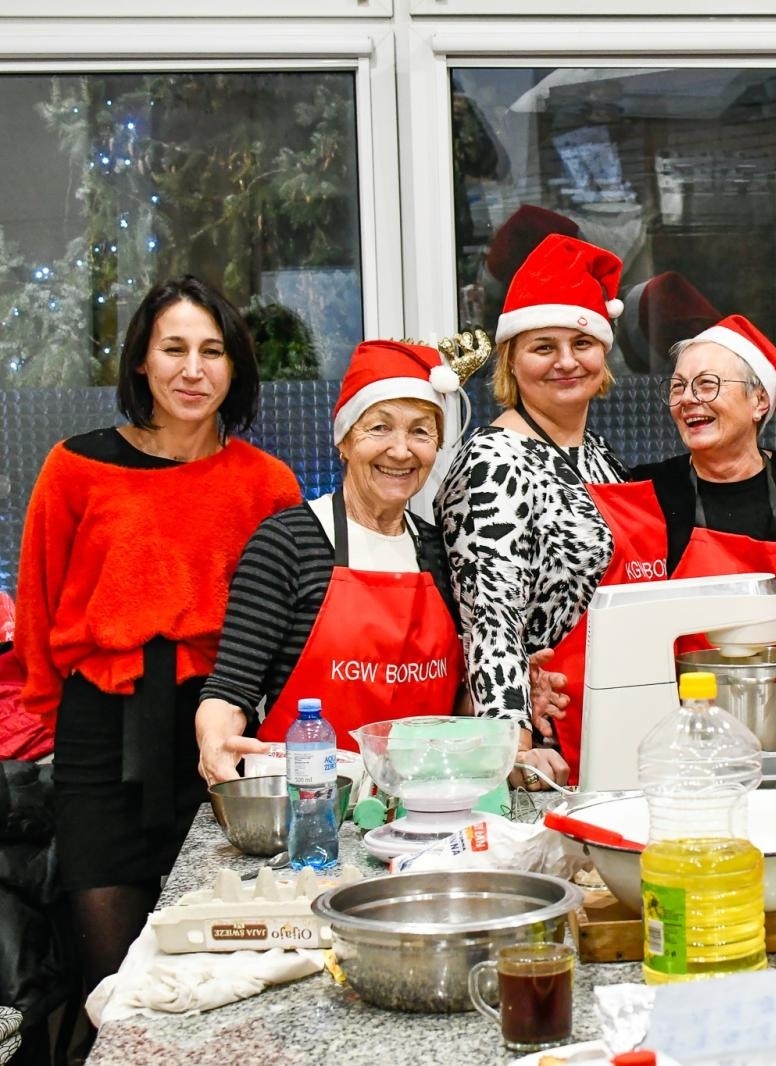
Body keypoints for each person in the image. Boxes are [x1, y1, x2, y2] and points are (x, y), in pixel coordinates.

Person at [13, 276, 301, 1005]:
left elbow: (287, 627)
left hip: (222, 733)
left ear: (235, 366)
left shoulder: (267, 484)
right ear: (142, 359)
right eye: (174, 349)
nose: (193, 370)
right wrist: (54, 723)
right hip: (100, 733)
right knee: (112, 979)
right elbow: (40, 605)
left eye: (213, 351)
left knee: (225, 966)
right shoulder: (75, 467)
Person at [437, 234, 667, 787]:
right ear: (511, 360)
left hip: (618, 719)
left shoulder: (599, 455)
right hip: (551, 743)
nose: (566, 361)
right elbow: (491, 618)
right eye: (543, 347)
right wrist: (514, 748)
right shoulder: (494, 461)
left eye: (581, 343)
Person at [193, 340, 473, 780]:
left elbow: (454, 707)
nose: (401, 451)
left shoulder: (440, 551)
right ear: (344, 439)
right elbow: (231, 688)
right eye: (379, 428)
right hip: (307, 798)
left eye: (421, 432)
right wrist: (215, 742)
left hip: (424, 797)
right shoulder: (288, 542)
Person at [635, 315, 776, 753]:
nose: (688, 399)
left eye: (707, 385)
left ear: (759, 400)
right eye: (678, 387)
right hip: (686, 745)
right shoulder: (652, 491)